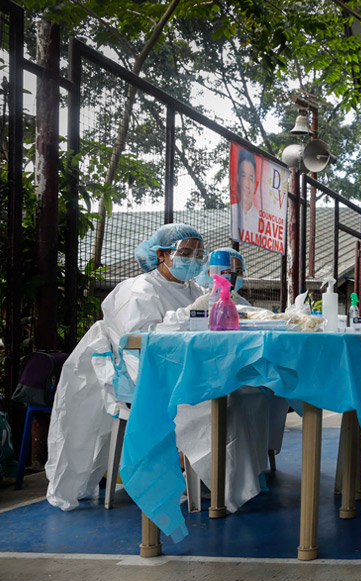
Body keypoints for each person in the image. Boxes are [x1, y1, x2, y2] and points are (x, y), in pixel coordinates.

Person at [46, 225, 207, 509]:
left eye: (198, 254)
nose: (192, 259)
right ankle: (203, 472)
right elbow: (140, 341)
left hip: (182, 371)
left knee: (243, 395)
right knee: (206, 403)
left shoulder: (195, 289)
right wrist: (187, 316)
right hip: (145, 379)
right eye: (184, 252)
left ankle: (217, 474)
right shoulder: (138, 290)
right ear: (161, 254)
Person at [161, 247, 286, 510]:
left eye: (237, 272)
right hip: (198, 379)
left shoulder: (241, 305)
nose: (232, 277)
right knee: (235, 403)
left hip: (233, 377)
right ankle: (213, 477)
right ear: (211, 273)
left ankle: (251, 469)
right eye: (227, 272)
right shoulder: (199, 302)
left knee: (271, 394)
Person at [230, 149, 259, 244]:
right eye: (243, 176)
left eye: (251, 179)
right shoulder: (231, 212)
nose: (247, 184)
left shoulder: (261, 219)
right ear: (237, 179)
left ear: (256, 184)